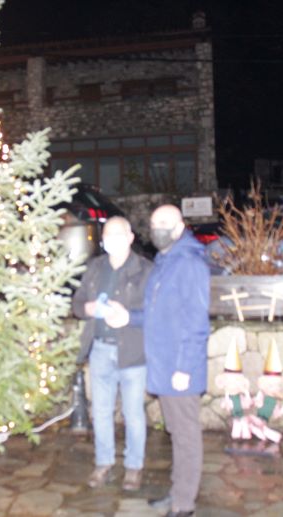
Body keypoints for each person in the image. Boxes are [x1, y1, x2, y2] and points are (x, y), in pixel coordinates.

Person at [107, 204, 210, 517]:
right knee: (176, 434)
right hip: (164, 365)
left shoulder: (189, 264)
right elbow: (157, 314)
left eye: (164, 222)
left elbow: (197, 323)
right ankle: (178, 492)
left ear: (180, 227)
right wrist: (129, 317)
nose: (158, 229)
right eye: (154, 224)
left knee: (187, 437)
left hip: (179, 369)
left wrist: (184, 368)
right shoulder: (165, 262)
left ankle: (184, 505)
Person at [71, 216, 153, 491]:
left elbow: (155, 311)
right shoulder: (95, 268)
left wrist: (128, 317)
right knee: (101, 411)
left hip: (132, 352)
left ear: (130, 238)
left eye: (117, 235)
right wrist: (87, 308)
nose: (111, 240)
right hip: (100, 350)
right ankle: (103, 463)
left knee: (133, 413)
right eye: (107, 235)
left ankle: (134, 467)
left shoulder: (145, 270)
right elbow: (77, 303)